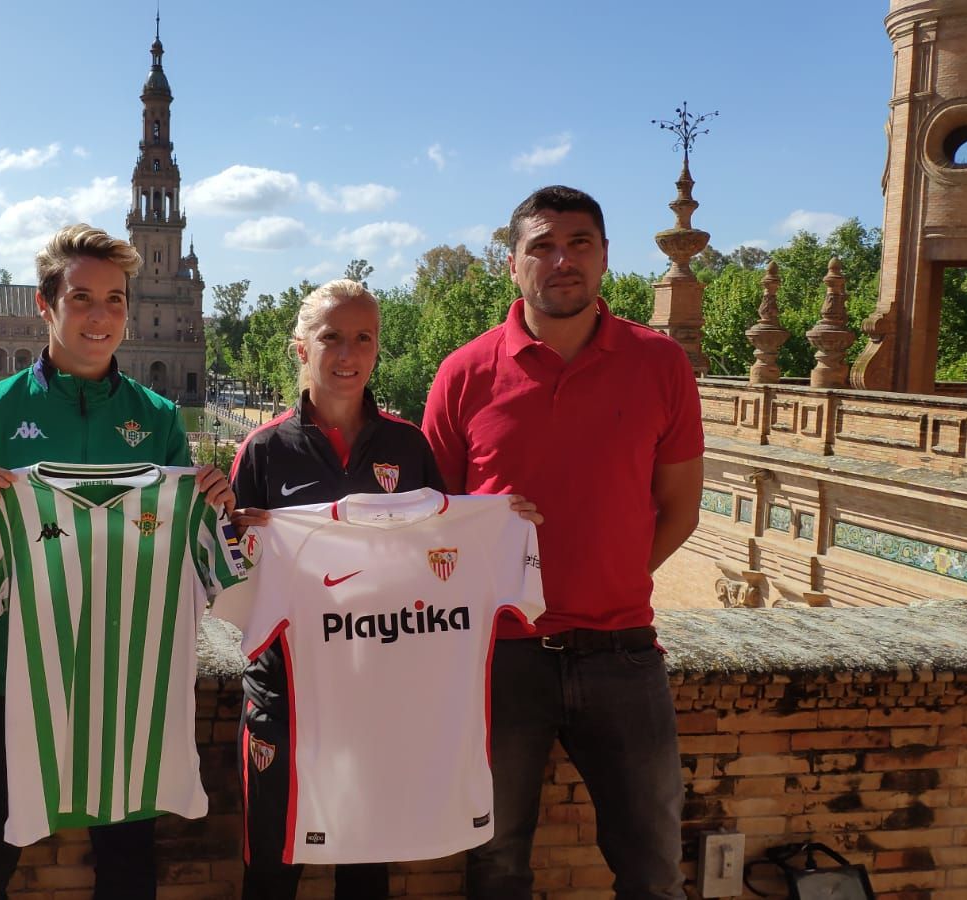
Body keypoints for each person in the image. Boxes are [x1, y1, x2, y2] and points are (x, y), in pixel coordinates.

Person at [0, 223, 235, 900]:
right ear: (45, 305)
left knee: (128, 868)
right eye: (81, 299)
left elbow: (187, 551)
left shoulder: (156, 417)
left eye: (115, 301)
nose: (100, 317)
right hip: (7, 675)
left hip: (123, 679)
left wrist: (213, 504)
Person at [422, 185, 704, 900]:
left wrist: (606, 577)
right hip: (501, 657)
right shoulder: (464, 374)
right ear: (512, 264)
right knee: (495, 864)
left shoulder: (659, 364)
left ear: (605, 257)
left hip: (623, 654)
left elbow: (679, 510)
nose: (562, 260)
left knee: (653, 867)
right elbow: (435, 525)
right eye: (542, 246)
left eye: (579, 243)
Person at [227, 280, 540, 900]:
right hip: (286, 697)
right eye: (332, 337)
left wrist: (500, 521)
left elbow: (435, 546)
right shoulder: (263, 450)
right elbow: (231, 577)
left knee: (367, 867)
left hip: (378, 696)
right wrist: (235, 538)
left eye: (363, 338)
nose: (348, 353)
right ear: (300, 349)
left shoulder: (406, 444)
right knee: (270, 867)